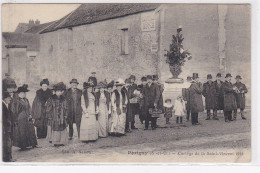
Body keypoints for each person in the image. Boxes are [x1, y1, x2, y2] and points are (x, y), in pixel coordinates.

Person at [11, 84, 38, 150]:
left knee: (31, 130)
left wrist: (30, 114)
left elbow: (29, 108)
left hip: (28, 117)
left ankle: (32, 144)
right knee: (22, 131)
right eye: (21, 93)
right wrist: (15, 119)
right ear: (18, 94)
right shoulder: (16, 101)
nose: (23, 94)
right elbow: (14, 111)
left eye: (24, 93)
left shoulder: (26, 100)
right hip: (21, 118)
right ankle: (23, 145)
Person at [46, 82, 69, 146]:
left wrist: (65, 114)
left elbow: (66, 107)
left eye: (60, 91)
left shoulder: (64, 98)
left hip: (62, 116)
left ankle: (62, 141)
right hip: (54, 116)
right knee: (55, 128)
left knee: (62, 127)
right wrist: (49, 116)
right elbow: (48, 108)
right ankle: (56, 142)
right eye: (58, 91)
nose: (59, 92)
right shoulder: (51, 99)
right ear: (55, 91)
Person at [2, 92, 14, 162]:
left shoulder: (6, 104)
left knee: (8, 142)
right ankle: (7, 158)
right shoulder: (2, 105)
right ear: (5, 98)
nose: (10, 100)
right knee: (7, 143)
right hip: (5, 129)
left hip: (8, 128)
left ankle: (8, 157)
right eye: (9, 98)